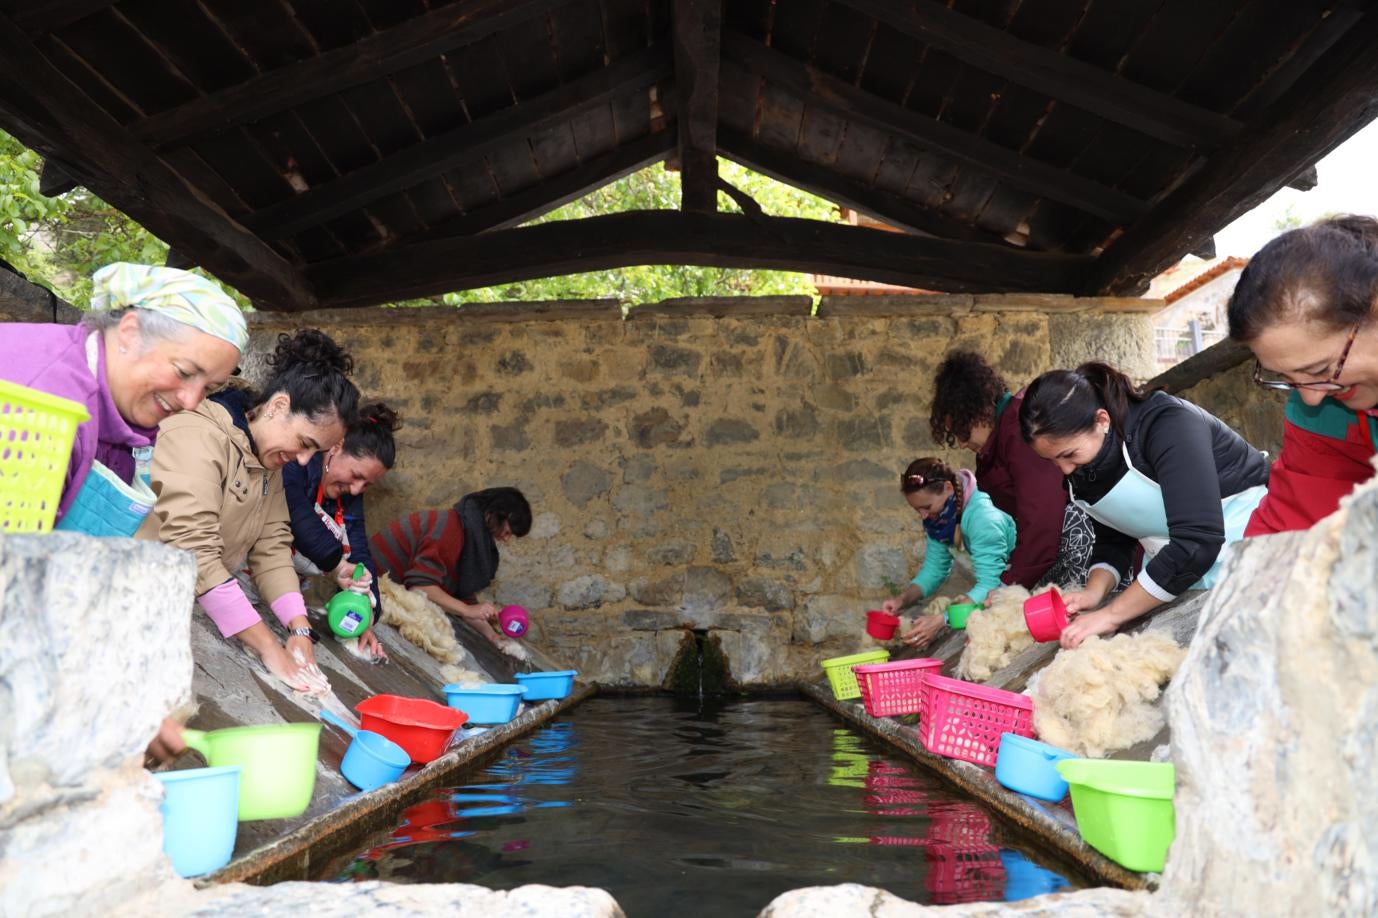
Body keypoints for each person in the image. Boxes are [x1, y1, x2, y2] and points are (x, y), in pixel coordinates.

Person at [138, 329, 359, 692]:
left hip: (181, 603)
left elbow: (272, 547)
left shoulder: (268, 462)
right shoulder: (197, 433)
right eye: (304, 443)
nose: (303, 460)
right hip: (134, 594)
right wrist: (269, 648)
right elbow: (193, 554)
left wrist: (299, 628)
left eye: (314, 453)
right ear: (278, 407)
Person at [1019, 362, 1269, 649]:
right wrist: (1094, 591)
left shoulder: (1168, 425)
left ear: (1101, 421)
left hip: (1246, 551)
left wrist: (1111, 615)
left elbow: (1198, 541)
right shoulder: (1085, 466)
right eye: (1052, 461)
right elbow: (1114, 534)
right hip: (1175, 574)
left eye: (1069, 455)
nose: (1064, 470)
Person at [0, 263, 245, 536]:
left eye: (209, 388)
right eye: (184, 372)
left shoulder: (125, 408)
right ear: (130, 332)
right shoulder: (40, 400)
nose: (190, 401)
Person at [1227, 214, 1378, 535]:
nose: (1311, 395)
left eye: (1320, 369)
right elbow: (1290, 520)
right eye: (1289, 378)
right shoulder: (1318, 409)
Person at [929, 351, 1092, 589]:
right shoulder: (993, 445)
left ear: (980, 408)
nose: (962, 443)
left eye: (962, 432)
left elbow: (1042, 517)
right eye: (956, 437)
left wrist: (1010, 585)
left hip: (1078, 549)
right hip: (1047, 552)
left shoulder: (1018, 428)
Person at [283, 403, 401, 660]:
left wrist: (367, 614)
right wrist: (338, 565)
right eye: (356, 475)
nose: (357, 489)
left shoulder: (347, 497)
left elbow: (359, 553)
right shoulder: (298, 464)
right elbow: (295, 511)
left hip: (282, 596)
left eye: (366, 484)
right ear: (336, 446)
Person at [881, 458, 1016, 648]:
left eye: (926, 507)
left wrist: (943, 620)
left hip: (1025, 582)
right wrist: (902, 600)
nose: (923, 516)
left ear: (948, 488)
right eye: (917, 509)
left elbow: (990, 583)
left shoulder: (983, 518)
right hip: (1002, 587)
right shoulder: (940, 521)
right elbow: (934, 570)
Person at [370, 487, 532, 644]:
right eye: (507, 532)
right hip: (371, 585)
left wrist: (491, 635)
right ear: (494, 515)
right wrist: (467, 610)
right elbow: (420, 587)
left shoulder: (470, 537)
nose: (505, 539)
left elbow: (462, 597)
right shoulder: (449, 528)